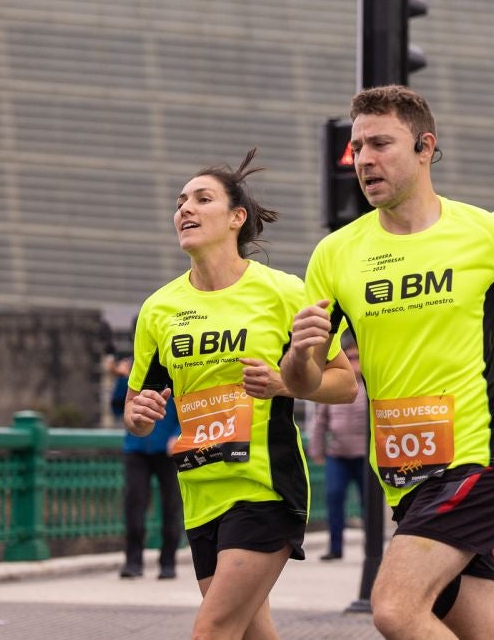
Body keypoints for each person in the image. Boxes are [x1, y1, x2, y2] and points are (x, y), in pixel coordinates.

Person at [291, 85, 494, 640]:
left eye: (381, 143)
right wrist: (300, 355)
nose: (365, 159)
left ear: (425, 147)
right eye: (357, 147)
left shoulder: (486, 232)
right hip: (403, 473)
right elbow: (321, 383)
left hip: (478, 456)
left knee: (396, 609)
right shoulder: (335, 253)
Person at [124, 149, 356, 640]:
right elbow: (137, 408)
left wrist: (285, 382)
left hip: (264, 487)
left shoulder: (284, 293)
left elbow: (344, 383)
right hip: (201, 491)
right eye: (180, 201)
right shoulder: (158, 310)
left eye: (201, 199)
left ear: (236, 218)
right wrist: (140, 415)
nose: (185, 208)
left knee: (212, 631)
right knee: (252, 634)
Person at [110, 349, 184, 579]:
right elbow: (118, 407)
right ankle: (133, 562)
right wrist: (123, 379)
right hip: (136, 449)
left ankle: (168, 563)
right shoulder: (135, 368)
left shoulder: (173, 363)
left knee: (171, 507)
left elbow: (186, 407)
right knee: (134, 506)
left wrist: (178, 434)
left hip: (167, 449)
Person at [308, 345, 369, 561]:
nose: (353, 362)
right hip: (337, 455)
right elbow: (320, 421)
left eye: (357, 357)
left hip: (364, 456)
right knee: (334, 498)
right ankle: (335, 548)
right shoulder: (337, 387)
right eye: (349, 357)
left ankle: (371, 549)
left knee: (367, 504)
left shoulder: (370, 387)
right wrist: (316, 449)